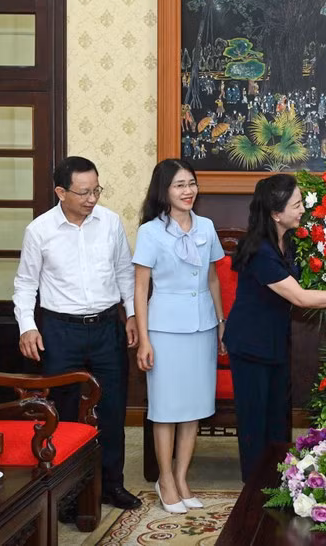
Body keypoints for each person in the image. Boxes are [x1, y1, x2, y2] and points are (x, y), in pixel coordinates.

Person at [223, 174, 326, 482]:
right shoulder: (259, 250)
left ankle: (280, 478)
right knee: (255, 421)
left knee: (278, 417)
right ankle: (255, 485)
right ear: (274, 212)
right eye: (296, 205)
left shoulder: (287, 241)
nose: (302, 210)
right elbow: (300, 297)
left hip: (275, 341)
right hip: (251, 344)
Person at [13, 156, 141, 510]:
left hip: (105, 328)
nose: (92, 198)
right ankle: (69, 494)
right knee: (64, 412)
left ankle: (112, 485)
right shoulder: (40, 230)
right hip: (60, 331)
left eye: (96, 189)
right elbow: (25, 285)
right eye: (83, 192)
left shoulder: (110, 222)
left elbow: (124, 274)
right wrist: (27, 326)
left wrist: (131, 315)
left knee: (113, 408)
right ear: (60, 192)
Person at [132, 159, 225, 513]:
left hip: (201, 326)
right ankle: (165, 479)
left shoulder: (207, 226)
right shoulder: (150, 232)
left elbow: (213, 278)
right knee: (167, 408)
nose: (188, 191)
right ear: (164, 191)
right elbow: (141, 290)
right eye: (179, 185)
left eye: (191, 183)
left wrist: (220, 320)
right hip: (164, 329)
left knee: (193, 408)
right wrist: (144, 339)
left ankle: (182, 477)